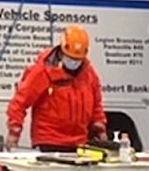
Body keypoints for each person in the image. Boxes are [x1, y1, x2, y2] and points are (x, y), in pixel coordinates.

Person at [6, 24, 107, 152]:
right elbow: (20, 102)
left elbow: (96, 104)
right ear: (62, 51)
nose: (74, 62)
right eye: (71, 58)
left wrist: (99, 126)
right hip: (49, 142)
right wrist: (14, 131)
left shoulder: (89, 73)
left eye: (78, 59)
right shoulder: (43, 72)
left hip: (80, 144)